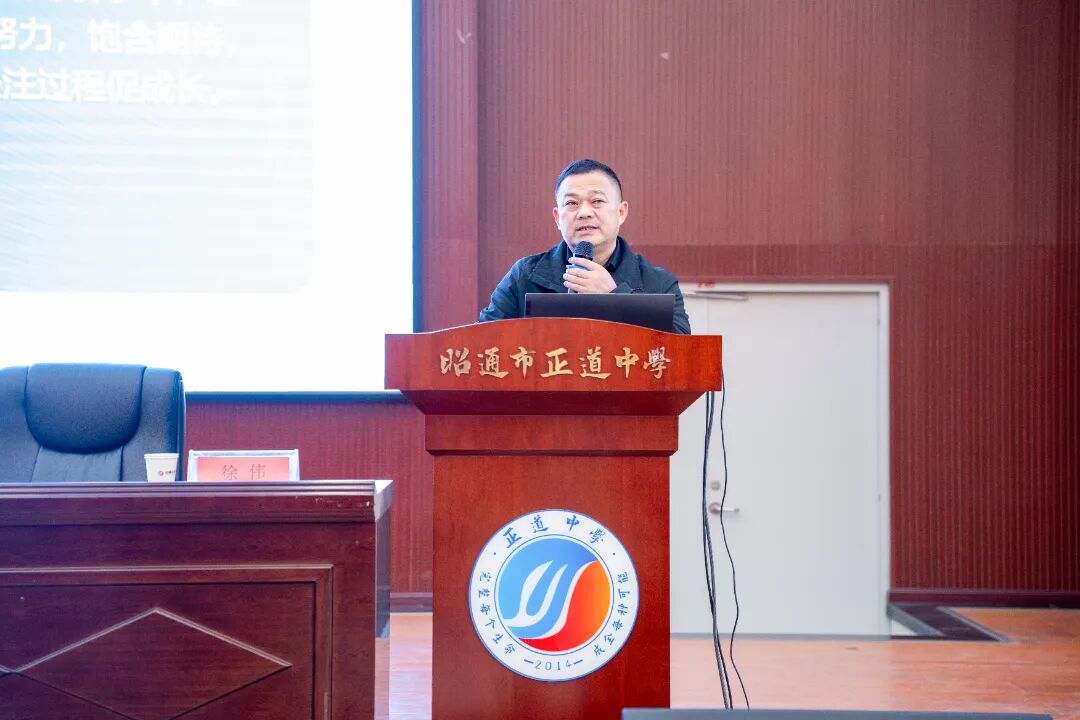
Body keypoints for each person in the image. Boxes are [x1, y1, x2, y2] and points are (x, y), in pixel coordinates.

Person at [478, 159, 691, 334]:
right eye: (572, 203)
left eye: (597, 201)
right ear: (557, 218)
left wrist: (615, 298)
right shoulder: (525, 275)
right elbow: (482, 343)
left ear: (621, 212)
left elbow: (682, 350)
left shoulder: (658, 283)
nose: (584, 213)